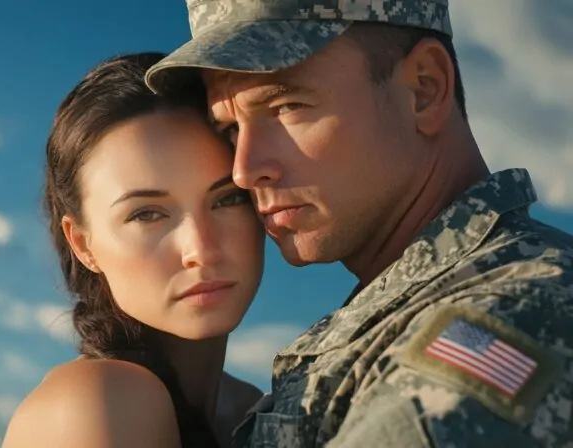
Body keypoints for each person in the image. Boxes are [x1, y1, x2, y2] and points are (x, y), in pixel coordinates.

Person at [144, 0, 573, 447]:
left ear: (425, 89)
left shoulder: (512, 313)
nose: (244, 170)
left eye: (287, 105)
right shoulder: (408, 309)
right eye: (231, 130)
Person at [1, 52, 266, 448]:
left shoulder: (258, 410)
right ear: (82, 243)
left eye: (227, 200)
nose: (201, 249)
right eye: (146, 214)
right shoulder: (99, 400)